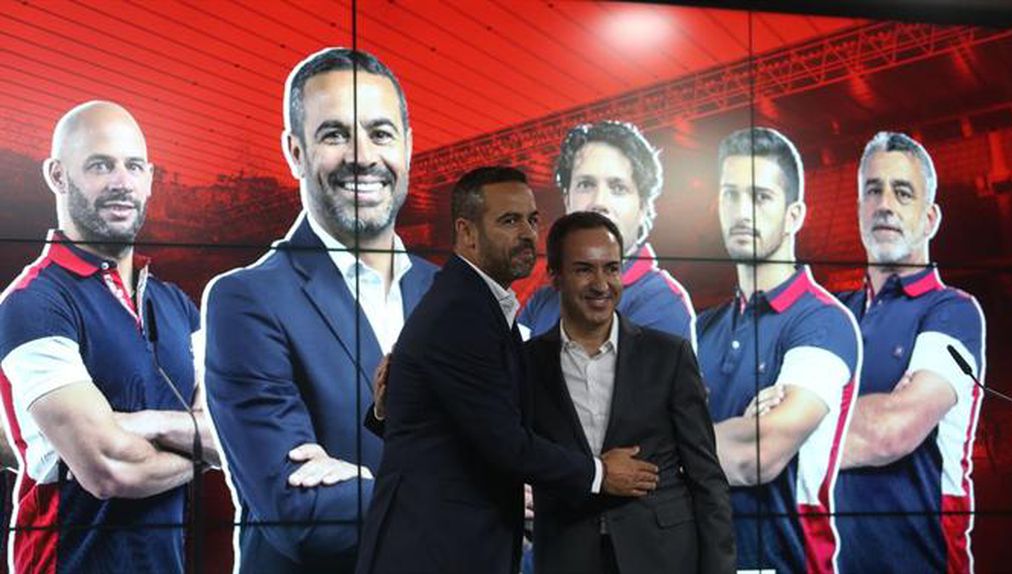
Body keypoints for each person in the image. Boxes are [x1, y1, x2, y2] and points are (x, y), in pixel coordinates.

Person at [355, 167, 659, 574]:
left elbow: (451, 426)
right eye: (509, 221)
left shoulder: (480, 303)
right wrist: (601, 473)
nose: (528, 234)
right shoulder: (461, 313)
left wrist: (391, 412)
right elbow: (506, 443)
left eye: (532, 220)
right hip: (434, 551)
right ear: (467, 233)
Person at [202, 48, 437, 573]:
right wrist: (472, 494)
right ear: (295, 152)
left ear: (407, 145)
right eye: (335, 135)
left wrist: (371, 485)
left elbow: (524, 469)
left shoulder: (454, 297)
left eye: (380, 133)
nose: (362, 156)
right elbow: (303, 517)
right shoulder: (247, 301)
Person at [0, 101, 218, 573]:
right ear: (57, 176)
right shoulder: (32, 303)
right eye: (100, 165)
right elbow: (108, 469)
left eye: (134, 166)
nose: (122, 182)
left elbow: (230, 432)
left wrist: (146, 425)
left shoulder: (178, 306)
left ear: (150, 178)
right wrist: (207, 449)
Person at [526, 211, 734, 574]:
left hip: (663, 555)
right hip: (566, 554)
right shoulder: (526, 362)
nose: (601, 284)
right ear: (555, 277)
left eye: (611, 268)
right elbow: (511, 452)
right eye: (584, 269)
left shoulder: (669, 355)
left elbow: (707, 478)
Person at [696, 127, 860, 573]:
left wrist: (668, 440)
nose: (741, 211)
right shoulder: (700, 328)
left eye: (760, 197)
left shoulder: (823, 321)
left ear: (794, 215)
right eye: (730, 195)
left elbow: (757, 454)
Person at [835, 132, 986, 573]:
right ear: (859, 210)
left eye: (903, 193)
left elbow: (890, 432)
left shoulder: (953, 312)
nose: (885, 204)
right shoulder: (831, 315)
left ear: (930, 217)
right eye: (873, 190)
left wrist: (795, 419)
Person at [518, 121, 695, 343]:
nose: (599, 202)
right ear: (567, 200)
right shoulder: (542, 300)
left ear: (643, 208)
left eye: (618, 188)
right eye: (586, 185)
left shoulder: (663, 303)